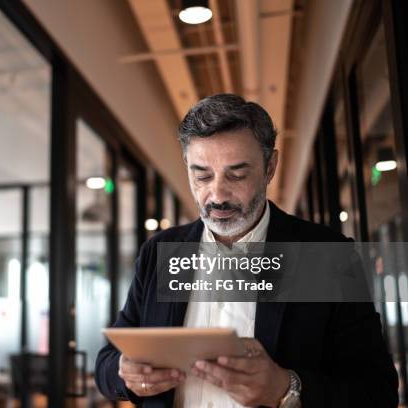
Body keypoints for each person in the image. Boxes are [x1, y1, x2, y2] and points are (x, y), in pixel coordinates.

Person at [95, 94, 398, 407]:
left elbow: (377, 392)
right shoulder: (159, 252)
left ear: (270, 167)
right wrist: (125, 374)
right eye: (202, 175)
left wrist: (286, 388)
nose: (217, 194)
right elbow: (107, 361)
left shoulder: (327, 257)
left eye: (237, 174)